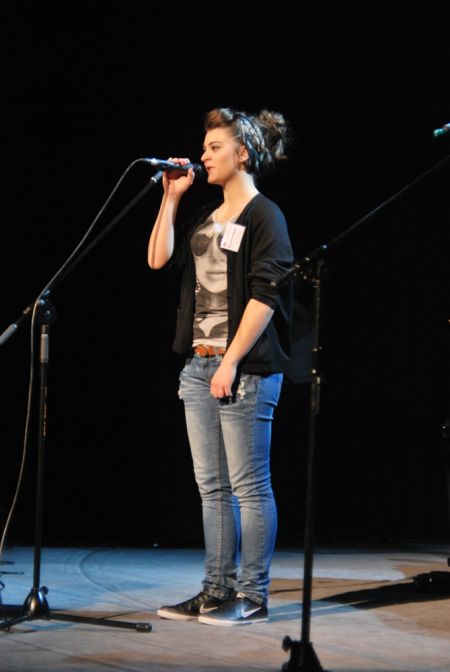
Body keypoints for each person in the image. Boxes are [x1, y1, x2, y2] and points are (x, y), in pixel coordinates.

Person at [148, 107, 294, 626]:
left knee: (248, 486)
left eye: (214, 147)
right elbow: (157, 259)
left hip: (245, 369)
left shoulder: (264, 216)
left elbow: (265, 297)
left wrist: (230, 362)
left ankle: (251, 596)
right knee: (211, 487)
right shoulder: (207, 218)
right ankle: (215, 590)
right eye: (204, 147)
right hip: (198, 366)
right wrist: (170, 198)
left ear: (242, 153)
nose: (204, 156)